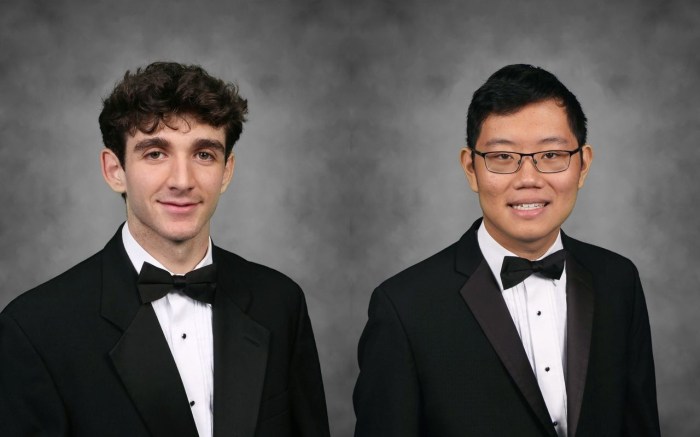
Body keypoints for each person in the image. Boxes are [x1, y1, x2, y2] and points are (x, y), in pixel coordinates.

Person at [0, 62, 330, 437]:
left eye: (204, 154)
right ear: (114, 170)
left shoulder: (280, 302)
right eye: (155, 153)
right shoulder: (35, 328)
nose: (182, 181)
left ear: (226, 171)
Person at [353, 64, 660, 437]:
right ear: (471, 167)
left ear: (583, 165)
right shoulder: (403, 306)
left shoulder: (618, 280)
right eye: (503, 157)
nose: (528, 179)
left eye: (551, 155)